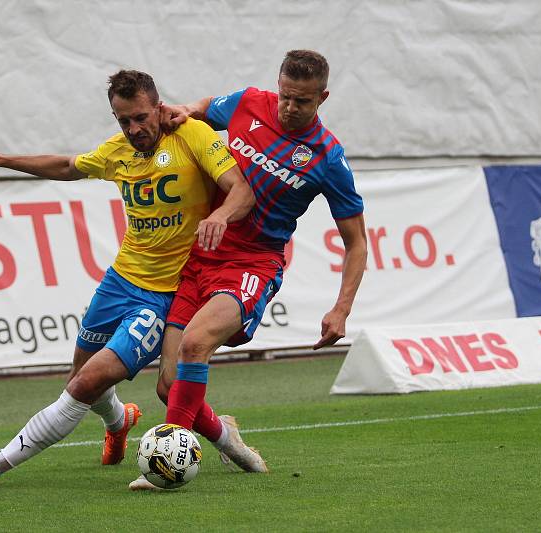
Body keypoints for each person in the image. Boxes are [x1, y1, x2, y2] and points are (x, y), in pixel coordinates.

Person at [0, 69, 255, 490]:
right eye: (123, 121)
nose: (134, 129)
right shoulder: (118, 151)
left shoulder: (192, 136)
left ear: (158, 107)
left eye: (140, 118)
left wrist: (220, 216)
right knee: (81, 377)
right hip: (119, 281)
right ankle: (119, 422)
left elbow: (240, 188)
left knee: (95, 382)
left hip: (165, 294)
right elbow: (65, 165)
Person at [130, 50, 368, 490]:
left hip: (253, 263)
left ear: (323, 98)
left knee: (195, 344)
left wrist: (342, 308)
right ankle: (230, 441)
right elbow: (206, 109)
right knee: (169, 387)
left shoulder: (328, 158)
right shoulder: (248, 103)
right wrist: (186, 110)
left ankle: (166, 465)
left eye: (302, 101)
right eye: (285, 96)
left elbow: (356, 242)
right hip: (201, 255)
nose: (290, 108)